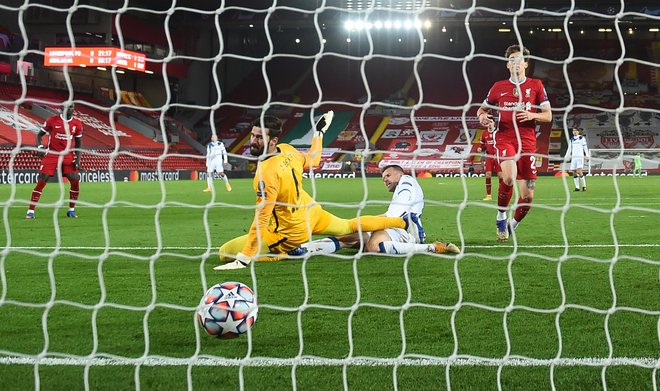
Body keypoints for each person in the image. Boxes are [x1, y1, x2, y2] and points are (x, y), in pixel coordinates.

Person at [215, 112, 425, 270]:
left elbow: (261, 219)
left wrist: (244, 258)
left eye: (259, 137)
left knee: (224, 252)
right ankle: (404, 222)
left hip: (292, 231)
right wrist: (319, 133)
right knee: (348, 225)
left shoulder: (265, 173)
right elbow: (314, 158)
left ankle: (285, 252)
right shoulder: (288, 150)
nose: (253, 141)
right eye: (252, 136)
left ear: (273, 141)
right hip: (313, 212)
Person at [293, 164, 460, 256]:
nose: (384, 180)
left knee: (372, 246)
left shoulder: (407, 182)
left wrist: (366, 222)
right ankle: (301, 249)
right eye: (383, 178)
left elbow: (393, 216)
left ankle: (432, 247)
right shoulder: (401, 188)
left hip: (403, 230)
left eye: (388, 175)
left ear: (399, 175)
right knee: (347, 238)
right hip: (393, 225)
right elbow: (388, 216)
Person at [476, 44, 552, 241]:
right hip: (505, 138)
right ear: (507, 65)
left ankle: (512, 224)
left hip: (527, 143)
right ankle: (501, 216)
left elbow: (548, 116)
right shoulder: (498, 87)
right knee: (509, 178)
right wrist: (483, 118)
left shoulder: (536, 85)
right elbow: (481, 110)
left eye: (519, 60)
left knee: (528, 197)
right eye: (512, 60)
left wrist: (531, 114)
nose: (515, 64)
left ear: (525, 64)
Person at [26, 103, 83, 219]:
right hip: (52, 154)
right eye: (68, 106)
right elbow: (39, 135)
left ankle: (71, 210)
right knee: (43, 180)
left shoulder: (77, 124)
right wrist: (40, 147)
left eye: (72, 106)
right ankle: (30, 211)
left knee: (75, 179)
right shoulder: (52, 120)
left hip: (67, 155)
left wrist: (78, 159)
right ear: (61, 108)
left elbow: (79, 143)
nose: (71, 108)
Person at [476, 123, 501, 201]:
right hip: (489, 156)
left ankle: (501, 194)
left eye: (490, 122)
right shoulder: (484, 133)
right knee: (488, 174)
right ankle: (488, 195)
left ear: (494, 123)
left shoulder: (498, 132)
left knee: (501, 176)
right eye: (488, 123)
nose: (489, 124)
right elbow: (482, 144)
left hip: (498, 156)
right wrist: (480, 148)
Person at [567, 127, 589, 191]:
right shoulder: (572, 139)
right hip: (574, 158)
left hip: (580, 157)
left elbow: (585, 147)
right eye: (573, 130)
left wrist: (587, 155)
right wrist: (567, 156)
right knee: (574, 172)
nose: (574, 132)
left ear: (578, 132)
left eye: (576, 130)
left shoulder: (581, 138)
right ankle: (577, 187)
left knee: (579, 171)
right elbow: (569, 149)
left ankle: (584, 186)